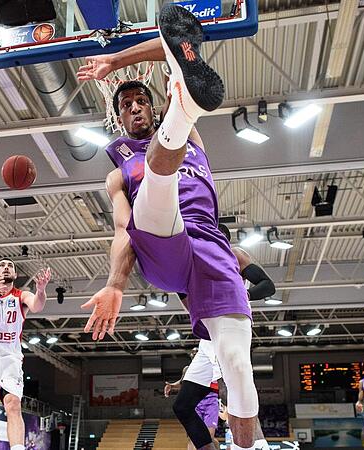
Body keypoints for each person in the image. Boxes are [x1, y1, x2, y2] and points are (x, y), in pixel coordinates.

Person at [78, 5, 259, 449]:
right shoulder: (118, 171)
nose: (135, 106)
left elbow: (181, 46)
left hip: (210, 243)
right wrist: (115, 284)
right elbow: (125, 230)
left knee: (236, 363)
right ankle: (186, 108)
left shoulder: (193, 144)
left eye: (141, 100)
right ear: (117, 117)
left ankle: (244, 447)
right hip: (162, 245)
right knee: (157, 178)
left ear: (151, 106)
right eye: (126, 104)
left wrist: (117, 62)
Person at [0, 260, 51, 450]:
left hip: (10, 359)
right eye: (2, 265)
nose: (6, 267)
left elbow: (37, 305)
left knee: (13, 405)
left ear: (14, 275)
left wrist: (41, 290)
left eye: (10, 266)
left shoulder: (21, 296)